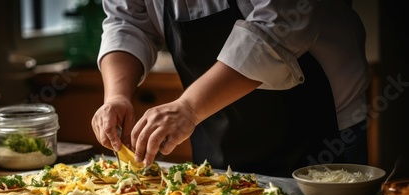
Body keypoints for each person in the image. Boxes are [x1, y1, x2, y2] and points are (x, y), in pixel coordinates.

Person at [91, 0, 370, 177]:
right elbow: (126, 21)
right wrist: (116, 96)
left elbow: (281, 22)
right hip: (215, 132)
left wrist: (188, 107)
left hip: (319, 131)